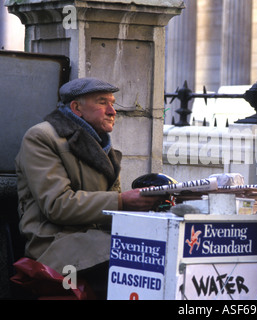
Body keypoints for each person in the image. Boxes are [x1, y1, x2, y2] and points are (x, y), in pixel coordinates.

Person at [15, 77, 160, 298]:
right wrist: (123, 201)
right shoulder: (41, 137)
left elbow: (110, 207)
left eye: (113, 103)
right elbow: (57, 205)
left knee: (158, 250)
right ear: (76, 108)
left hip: (93, 238)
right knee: (136, 260)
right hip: (55, 243)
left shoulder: (101, 142)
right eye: (102, 102)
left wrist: (151, 203)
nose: (112, 111)